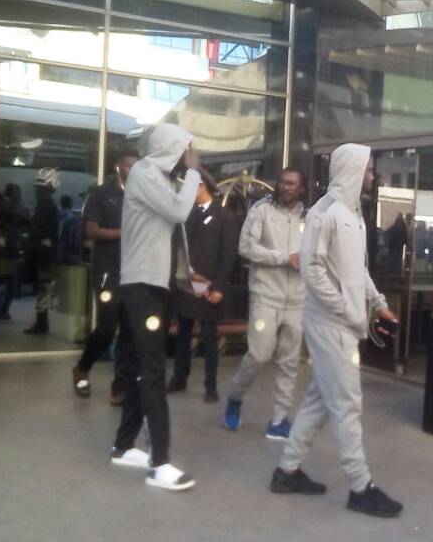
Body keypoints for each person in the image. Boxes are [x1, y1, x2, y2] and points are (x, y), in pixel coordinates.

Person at [271, 143, 403, 519]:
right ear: (352, 169)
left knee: (319, 400)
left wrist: (377, 302)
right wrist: (347, 308)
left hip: (342, 321)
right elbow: (311, 270)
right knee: (346, 404)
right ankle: (360, 488)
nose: (372, 174)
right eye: (368, 168)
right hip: (330, 323)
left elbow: (354, 270)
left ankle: (287, 471)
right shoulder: (324, 213)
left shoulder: (352, 213)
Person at [110, 123, 200, 491]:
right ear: (172, 148)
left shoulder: (157, 178)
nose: (190, 157)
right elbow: (180, 212)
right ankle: (160, 462)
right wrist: (193, 172)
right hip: (143, 288)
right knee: (152, 371)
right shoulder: (147, 173)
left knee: (135, 364)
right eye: (187, 150)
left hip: (147, 286)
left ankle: (122, 445)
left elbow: (172, 225)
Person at [224, 167, 307, 439]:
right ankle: (235, 397)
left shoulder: (311, 217)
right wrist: (283, 257)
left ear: (301, 188)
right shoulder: (261, 210)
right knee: (259, 354)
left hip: (297, 299)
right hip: (265, 295)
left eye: (292, 183)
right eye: (282, 182)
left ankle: (280, 419)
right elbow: (245, 247)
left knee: (289, 361)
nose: (286, 187)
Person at [72, 149, 139, 405]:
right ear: (117, 166)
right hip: (107, 274)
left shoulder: (142, 195)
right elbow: (91, 231)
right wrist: (124, 233)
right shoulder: (101, 194)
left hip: (133, 272)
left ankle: (118, 387)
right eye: (129, 165)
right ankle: (82, 368)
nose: (133, 170)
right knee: (107, 328)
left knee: (128, 332)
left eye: (137, 166)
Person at [167, 168, 239, 402]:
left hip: (209, 286)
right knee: (183, 334)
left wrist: (218, 287)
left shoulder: (225, 217)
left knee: (209, 337)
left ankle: (211, 386)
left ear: (202, 186)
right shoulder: (185, 216)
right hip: (186, 284)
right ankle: (179, 377)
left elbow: (228, 257)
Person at [23, 168, 60, 335]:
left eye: (39, 188)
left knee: (42, 289)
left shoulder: (45, 206)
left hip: (42, 255)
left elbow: (41, 229)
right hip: (44, 253)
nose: (36, 191)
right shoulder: (47, 205)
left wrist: (29, 224)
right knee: (42, 289)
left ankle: (42, 322)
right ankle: (41, 321)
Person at [0, 183, 28, 322]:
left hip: (4, 250)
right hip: (12, 250)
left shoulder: (1, 209)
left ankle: (0, 309)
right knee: (11, 283)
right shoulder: (21, 210)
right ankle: (2, 310)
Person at [58, 195, 82, 265]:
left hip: (55, 252)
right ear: (71, 205)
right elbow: (72, 240)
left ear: (61, 204)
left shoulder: (55, 215)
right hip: (67, 254)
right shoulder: (73, 218)